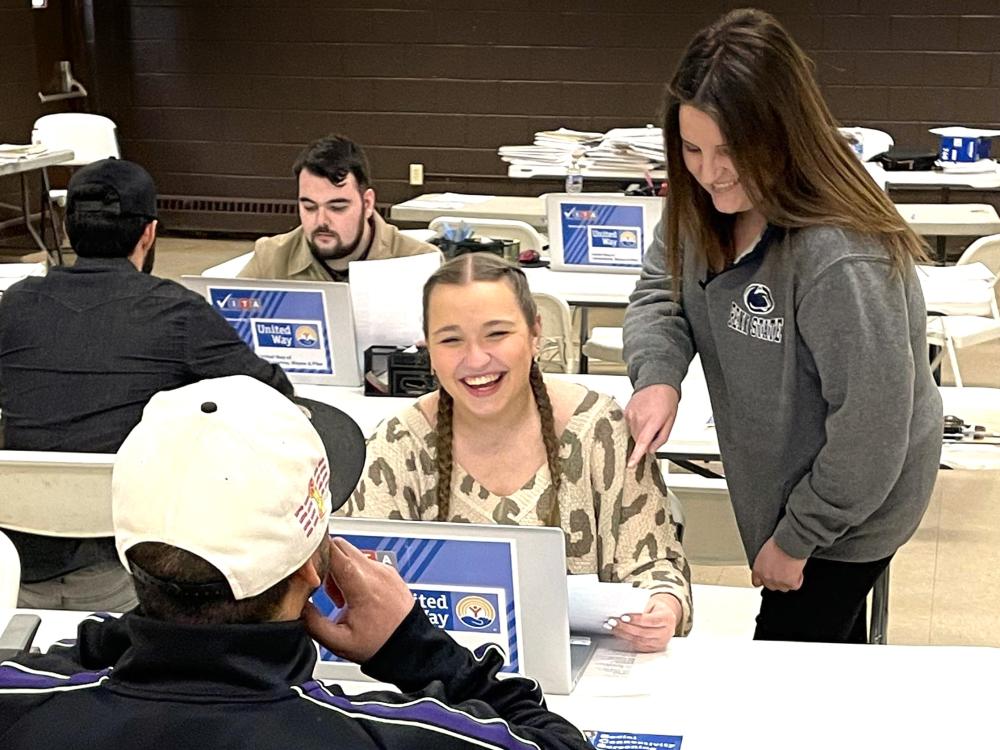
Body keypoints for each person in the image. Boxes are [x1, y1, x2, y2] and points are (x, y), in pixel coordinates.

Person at [0, 375, 591, 750]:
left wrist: (153, 635)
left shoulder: (23, 708)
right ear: (316, 567)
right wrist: (412, 647)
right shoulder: (396, 735)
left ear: (130, 560)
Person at [622, 9, 942, 643]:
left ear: (783, 135)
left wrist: (798, 539)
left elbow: (872, 430)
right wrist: (658, 375)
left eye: (731, 152)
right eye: (692, 149)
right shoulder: (703, 202)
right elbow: (660, 288)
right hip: (786, 477)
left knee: (787, 666)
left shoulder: (840, 254)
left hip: (853, 509)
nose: (710, 173)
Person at [343, 253, 692, 652]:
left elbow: (657, 566)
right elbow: (358, 581)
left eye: (496, 334)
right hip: (435, 687)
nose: (475, 360)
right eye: (451, 339)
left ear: (534, 333)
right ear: (427, 347)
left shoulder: (600, 429)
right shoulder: (396, 446)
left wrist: (662, 608)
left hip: (589, 683)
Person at [0, 158, 293, 611]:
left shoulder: (13, 306)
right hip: (127, 566)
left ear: (66, 229)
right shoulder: (176, 313)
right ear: (149, 234)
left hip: (13, 561)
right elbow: (274, 394)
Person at [239, 134, 438, 282]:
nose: (321, 221)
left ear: (367, 204)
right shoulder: (271, 258)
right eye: (309, 207)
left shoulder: (420, 262)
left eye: (337, 207)